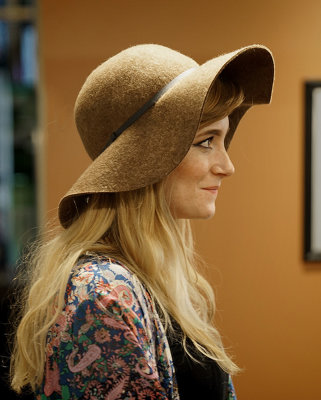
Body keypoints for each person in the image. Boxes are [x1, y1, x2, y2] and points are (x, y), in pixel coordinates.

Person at [10, 44, 274, 399]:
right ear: (146, 158)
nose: (227, 166)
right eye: (206, 141)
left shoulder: (155, 278)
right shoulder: (103, 294)